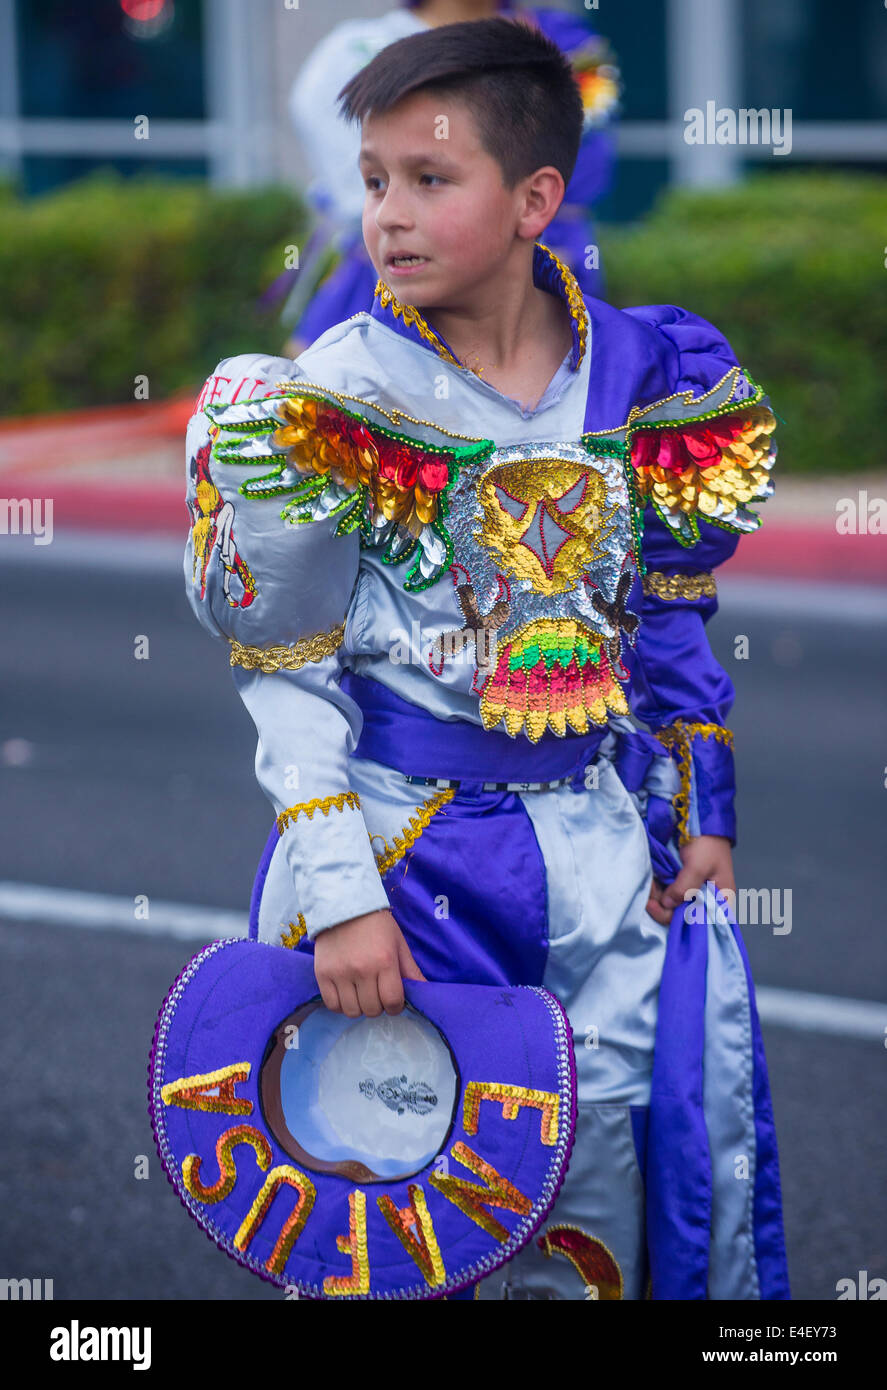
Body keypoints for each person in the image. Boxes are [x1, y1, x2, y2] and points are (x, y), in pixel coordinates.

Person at [184, 16, 789, 1300]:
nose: (385, 217)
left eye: (428, 179)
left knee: (603, 1169)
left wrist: (700, 805)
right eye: (371, 182)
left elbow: (668, 617)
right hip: (407, 861)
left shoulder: (649, 375)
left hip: (606, 856)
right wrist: (342, 893)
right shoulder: (327, 399)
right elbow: (284, 668)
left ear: (534, 200)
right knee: (416, 1209)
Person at [272, 0, 619, 354]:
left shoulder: (562, 39)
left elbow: (586, 157)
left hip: (541, 259)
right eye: (376, 183)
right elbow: (349, 166)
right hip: (393, 270)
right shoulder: (359, 48)